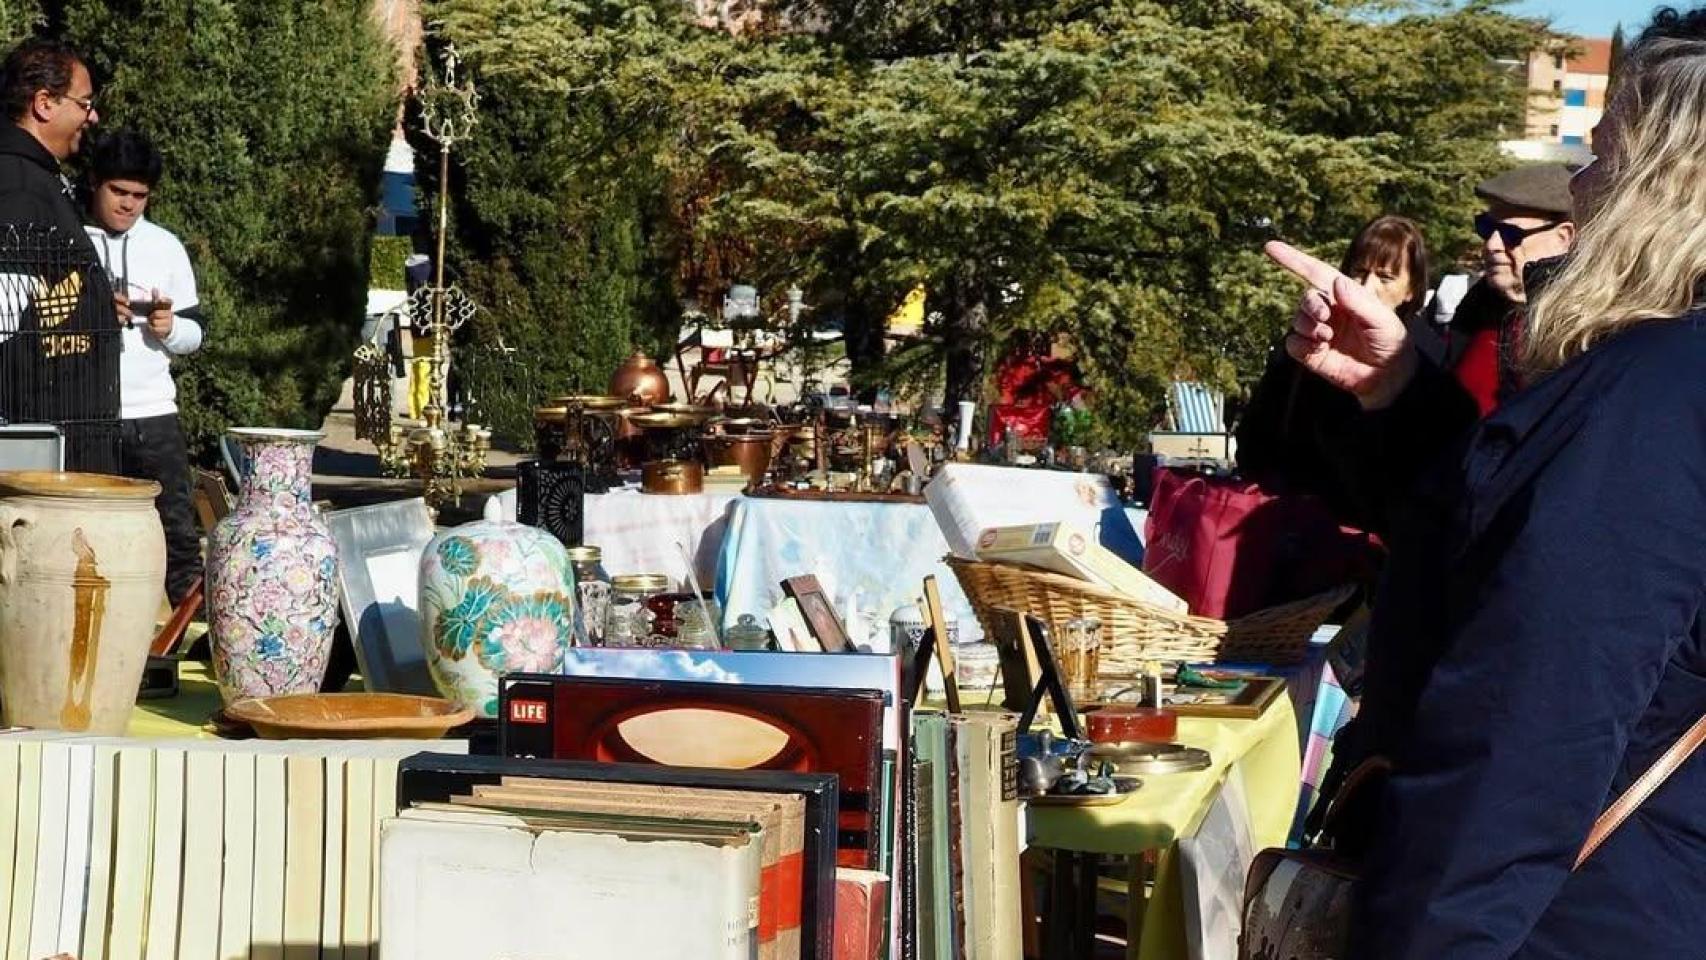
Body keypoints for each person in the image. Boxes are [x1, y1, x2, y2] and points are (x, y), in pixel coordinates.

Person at [1266, 9, 1706, 956]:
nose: (1582, 190)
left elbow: (1530, 729)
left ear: (1662, 183)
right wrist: (1404, 394)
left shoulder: (1658, 393)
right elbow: (1501, 535)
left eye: (1602, 157)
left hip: (1574, 914)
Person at [1235, 215, 1430, 529]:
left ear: (1412, 288)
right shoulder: (1314, 335)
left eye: (1385, 277)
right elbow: (1258, 428)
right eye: (1359, 272)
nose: (1367, 287)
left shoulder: (1424, 361)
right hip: (1281, 525)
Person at [82, 129, 203, 608]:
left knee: (178, 530)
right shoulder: (68, 239)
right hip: (89, 413)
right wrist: (91, 314)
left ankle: (194, 633)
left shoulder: (165, 245)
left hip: (154, 414)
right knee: (90, 536)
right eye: (119, 192)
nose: (129, 205)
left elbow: (195, 334)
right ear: (95, 183)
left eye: (140, 196)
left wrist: (168, 326)